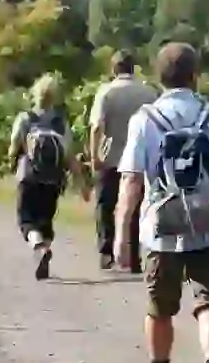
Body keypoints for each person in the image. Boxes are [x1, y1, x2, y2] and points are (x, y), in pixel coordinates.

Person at [114, 42, 209, 363]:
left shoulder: (145, 120)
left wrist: (123, 232)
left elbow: (131, 183)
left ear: (160, 77)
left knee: (159, 308)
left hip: (161, 230)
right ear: (195, 76)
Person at [8, 74, 88, 280]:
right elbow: (69, 156)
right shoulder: (60, 123)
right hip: (53, 179)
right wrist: (82, 183)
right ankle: (43, 253)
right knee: (45, 220)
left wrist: (12, 161)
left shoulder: (25, 118)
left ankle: (39, 248)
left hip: (28, 176)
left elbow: (14, 147)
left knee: (26, 219)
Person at [89, 50, 159, 271]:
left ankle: (107, 251)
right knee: (137, 208)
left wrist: (94, 156)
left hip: (111, 156)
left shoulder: (106, 92)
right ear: (133, 68)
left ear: (113, 69)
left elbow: (97, 126)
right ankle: (135, 256)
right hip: (140, 158)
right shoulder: (148, 93)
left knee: (105, 205)